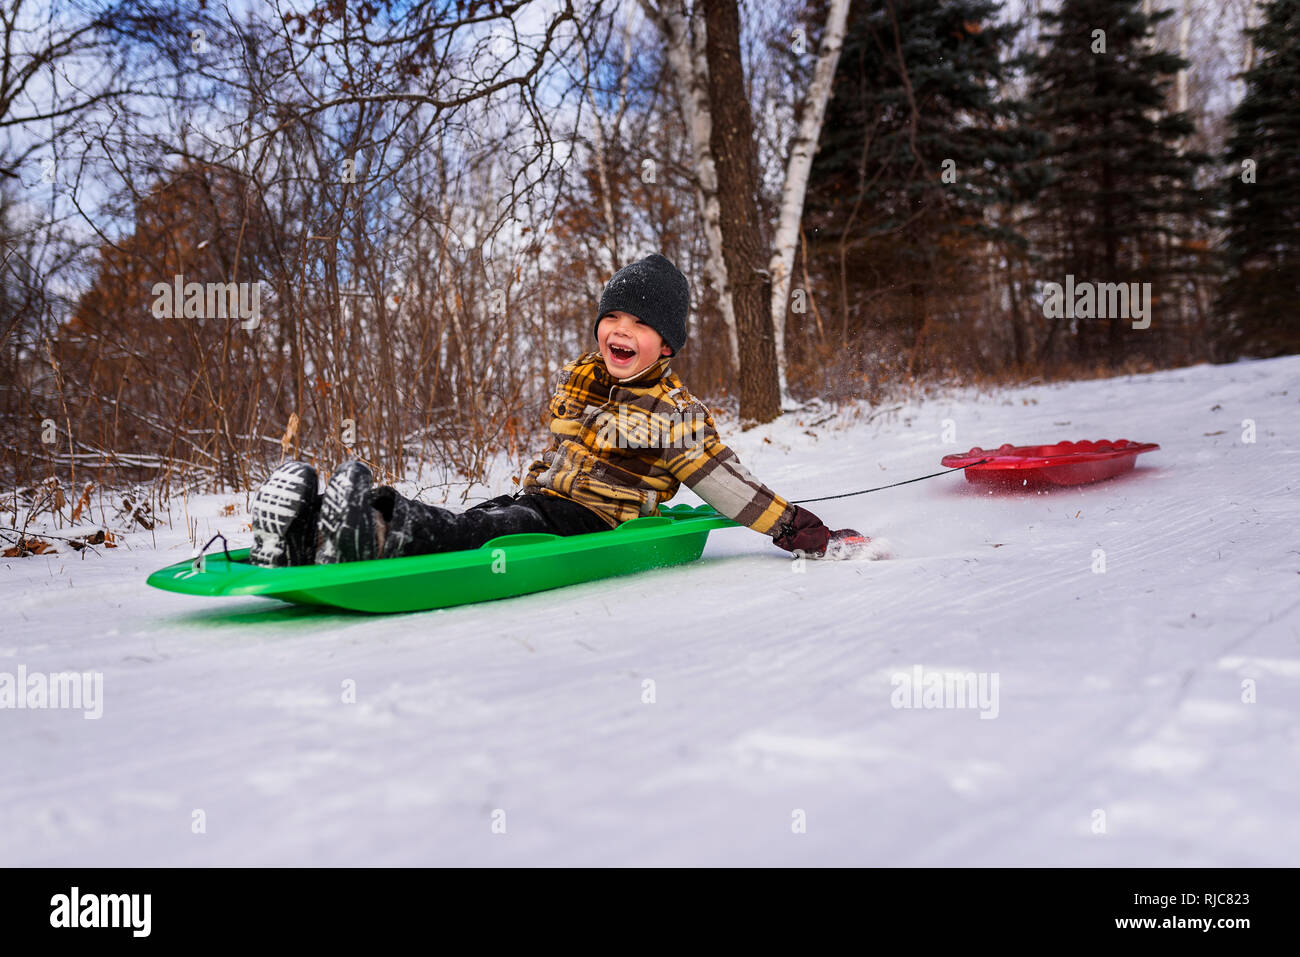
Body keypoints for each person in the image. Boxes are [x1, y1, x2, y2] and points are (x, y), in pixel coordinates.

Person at [248, 253, 865, 567]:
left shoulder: (675, 413)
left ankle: (375, 529)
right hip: (548, 503)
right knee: (481, 515)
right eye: (613, 318)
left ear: (668, 344)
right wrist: (533, 489)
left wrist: (799, 531)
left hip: (596, 524)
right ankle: (309, 536)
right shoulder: (589, 383)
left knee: (491, 532)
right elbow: (564, 453)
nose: (621, 331)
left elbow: (724, 484)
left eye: (641, 324)